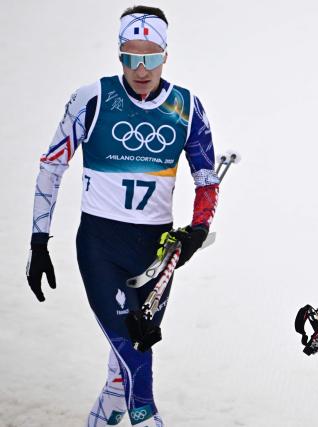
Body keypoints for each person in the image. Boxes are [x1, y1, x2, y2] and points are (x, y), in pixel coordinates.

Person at [26, 6, 219, 426]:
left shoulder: (187, 107)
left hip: (156, 252)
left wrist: (197, 231)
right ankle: (147, 417)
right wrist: (39, 241)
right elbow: (51, 166)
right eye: (131, 56)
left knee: (125, 360)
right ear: (119, 55)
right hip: (101, 246)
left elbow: (207, 181)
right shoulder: (92, 98)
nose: (141, 68)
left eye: (150, 56)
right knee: (134, 354)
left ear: (166, 55)